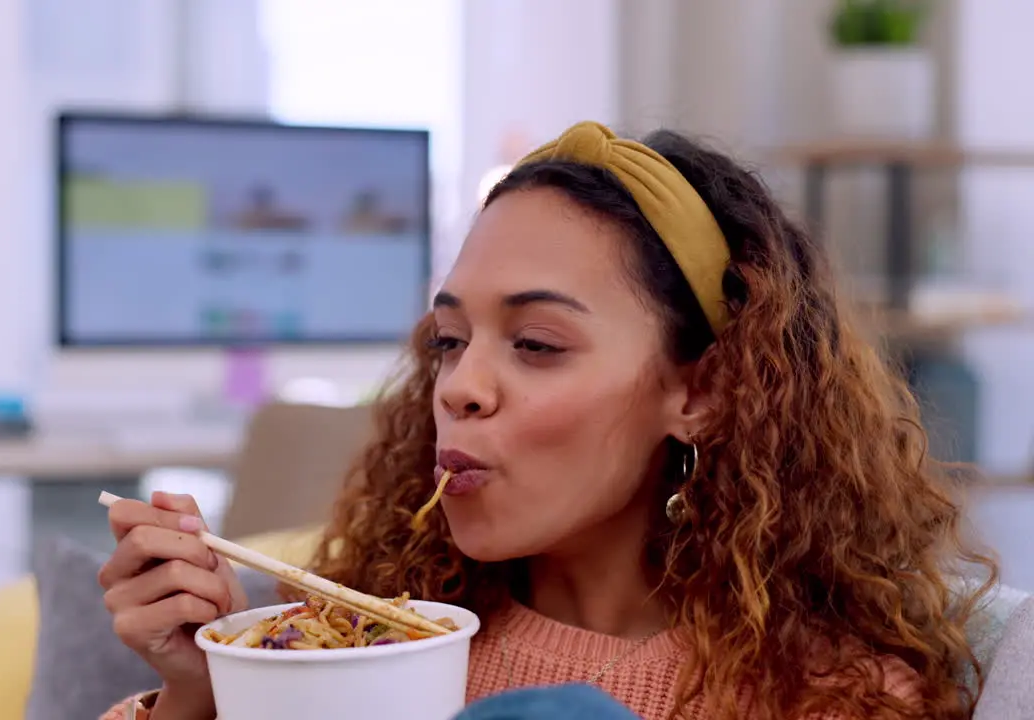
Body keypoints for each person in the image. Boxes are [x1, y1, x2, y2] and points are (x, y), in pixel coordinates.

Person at [97, 122, 996, 720]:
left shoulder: (835, 697)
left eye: (535, 343)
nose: (457, 387)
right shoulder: (348, 650)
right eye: (449, 340)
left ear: (704, 391)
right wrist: (197, 697)